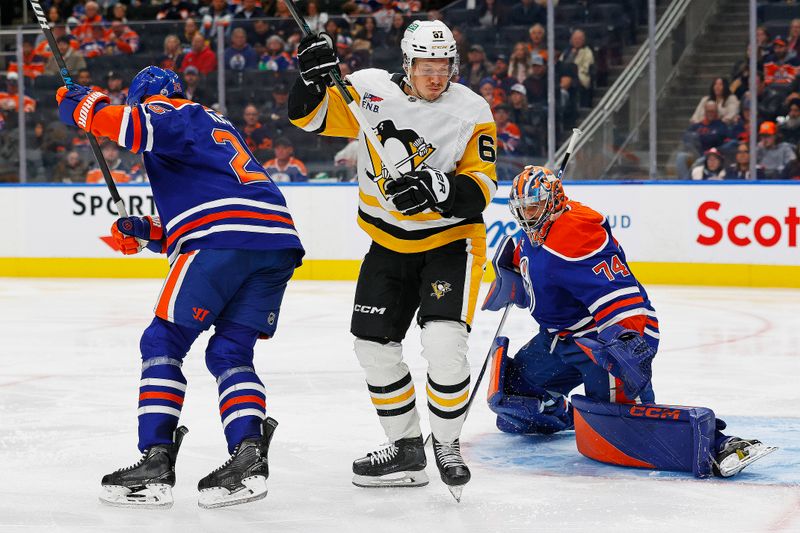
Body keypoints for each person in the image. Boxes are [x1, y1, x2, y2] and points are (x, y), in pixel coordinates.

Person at [55, 66, 304, 508]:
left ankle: (156, 460)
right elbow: (206, 212)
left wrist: (84, 106)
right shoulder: (210, 126)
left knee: (162, 339)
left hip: (222, 239)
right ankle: (248, 456)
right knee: (229, 353)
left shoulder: (171, 111)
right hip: (274, 243)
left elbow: (129, 126)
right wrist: (147, 230)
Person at [288, 20, 497, 498]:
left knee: (444, 345)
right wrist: (308, 76)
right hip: (387, 244)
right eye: (426, 65)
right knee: (372, 347)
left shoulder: (472, 110)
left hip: (450, 243)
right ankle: (405, 447)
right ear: (407, 63)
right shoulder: (366, 91)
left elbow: (482, 185)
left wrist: (436, 187)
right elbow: (308, 117)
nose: (435, 76)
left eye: (443, 66)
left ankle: (445, 444)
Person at [482, 165, 775, 479]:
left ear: (553, 202)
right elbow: (544, 259)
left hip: (600, 341)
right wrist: (515, 266)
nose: (526, 217)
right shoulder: (541, 229)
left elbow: (619, 294)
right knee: (514, 397)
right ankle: (570, 417)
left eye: (533, 207)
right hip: (559, 338)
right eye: (521, 209)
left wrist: (625, 341)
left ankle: (719, 446)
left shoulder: (576, 237)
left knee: (626, 425)